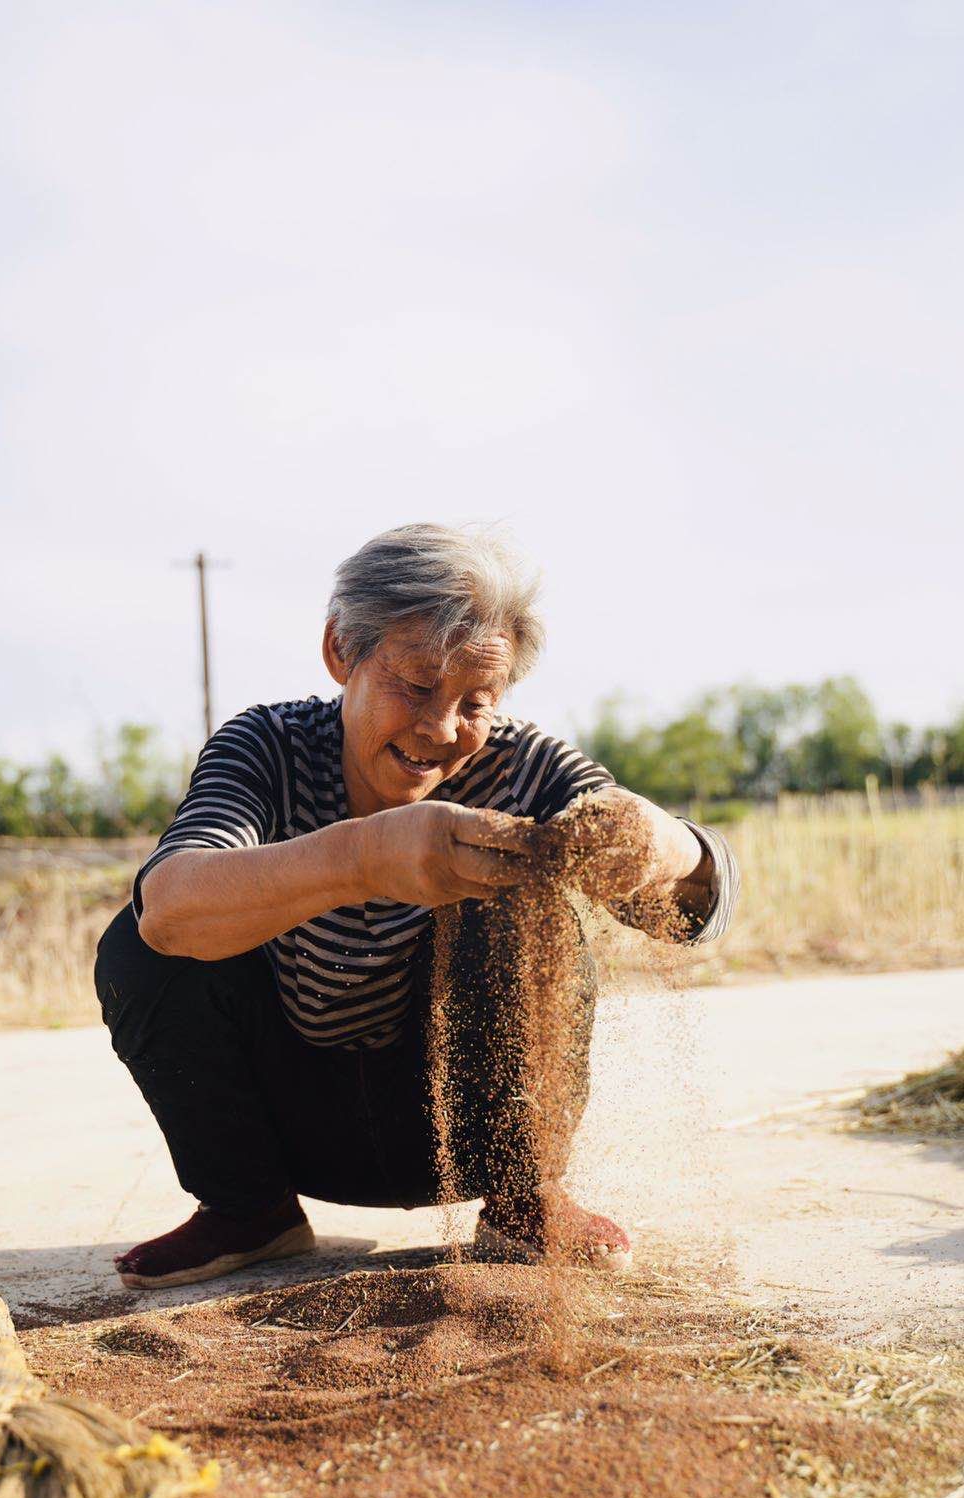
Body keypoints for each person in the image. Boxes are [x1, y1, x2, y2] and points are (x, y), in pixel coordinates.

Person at [95, 525, 738, 1289]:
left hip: (463, 1130)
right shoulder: (265, 746)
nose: (440, 730)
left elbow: (696, 903)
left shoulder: (523, 765)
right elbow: (169, 906)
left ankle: (526, 1198)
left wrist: (668, 847)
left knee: (521, 903)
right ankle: (248, 1210)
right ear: (342, 653)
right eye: (415, 685)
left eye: (476, 701)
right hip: (297, 1122)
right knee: (136, 941)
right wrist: (361, 858)